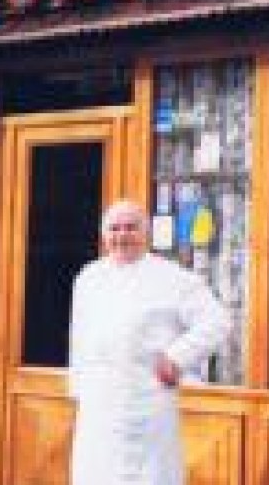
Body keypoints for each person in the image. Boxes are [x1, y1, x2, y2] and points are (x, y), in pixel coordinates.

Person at [68, 199, 231, 485]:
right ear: (104, 234)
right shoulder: (89, 277)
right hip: (98, 405)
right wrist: (78, 389)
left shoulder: (172, 277)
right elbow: (80, 337)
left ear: (146, 232)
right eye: (114, 228)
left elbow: (217, 321)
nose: (122, 235)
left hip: (145, 402)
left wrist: (177, 357)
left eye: (131, 227)